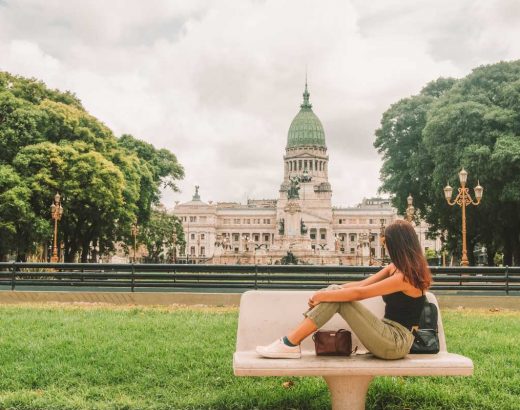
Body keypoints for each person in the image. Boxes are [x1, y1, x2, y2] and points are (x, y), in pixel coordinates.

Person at [256, 220, 432, 360]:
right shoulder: (395, 268)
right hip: (385, 332)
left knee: (337, 298)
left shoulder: (406, 277)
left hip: (396, 342)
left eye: (387, 243)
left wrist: (323, 295)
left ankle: (289, 343)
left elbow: (360, 294)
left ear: (397, 245)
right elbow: (361, 284)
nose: (385, 247)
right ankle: (289, 343)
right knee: (335, 292)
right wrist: (329, 291)